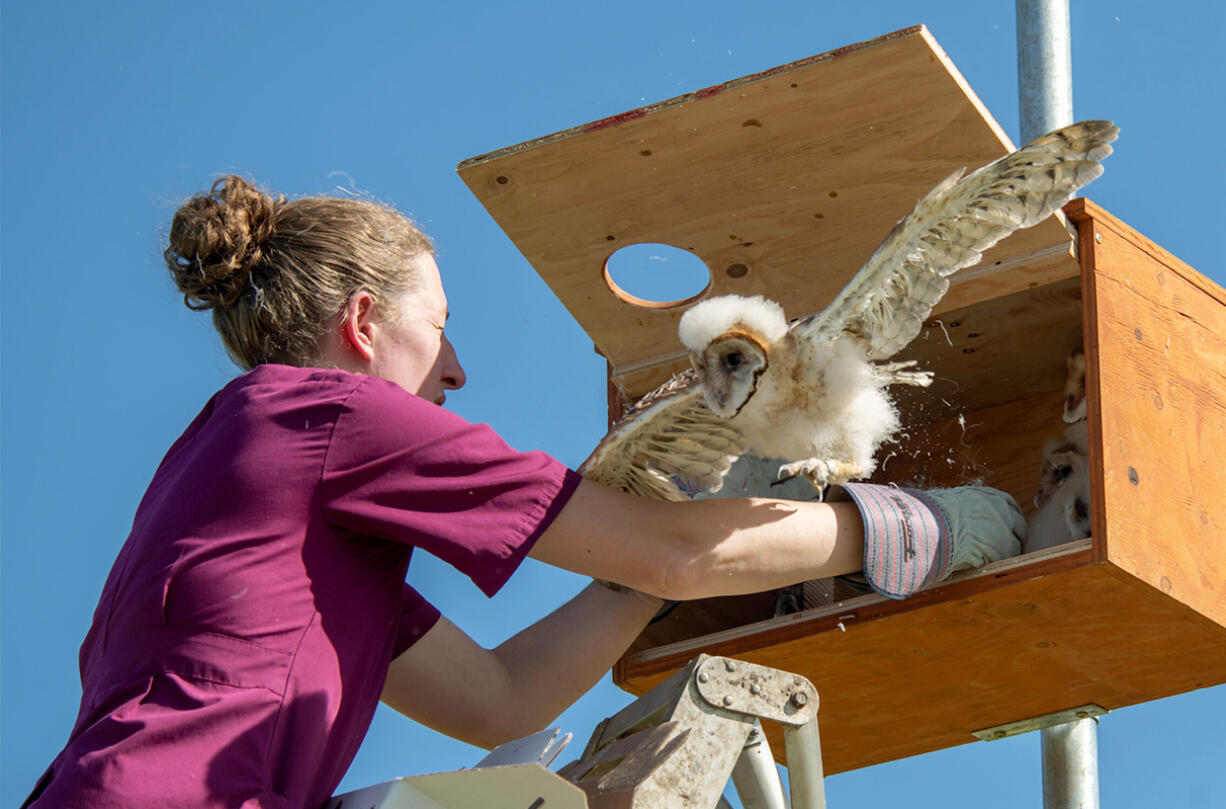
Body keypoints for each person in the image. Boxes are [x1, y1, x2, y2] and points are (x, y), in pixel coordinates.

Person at [23, 176, 1024, 809]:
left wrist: (673, 552)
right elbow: (669, 550)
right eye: (441, 323)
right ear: (366, 322)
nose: (455, 368)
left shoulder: (256, 487)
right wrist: (914, 526)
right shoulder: (329, 414)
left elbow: (502, 695)